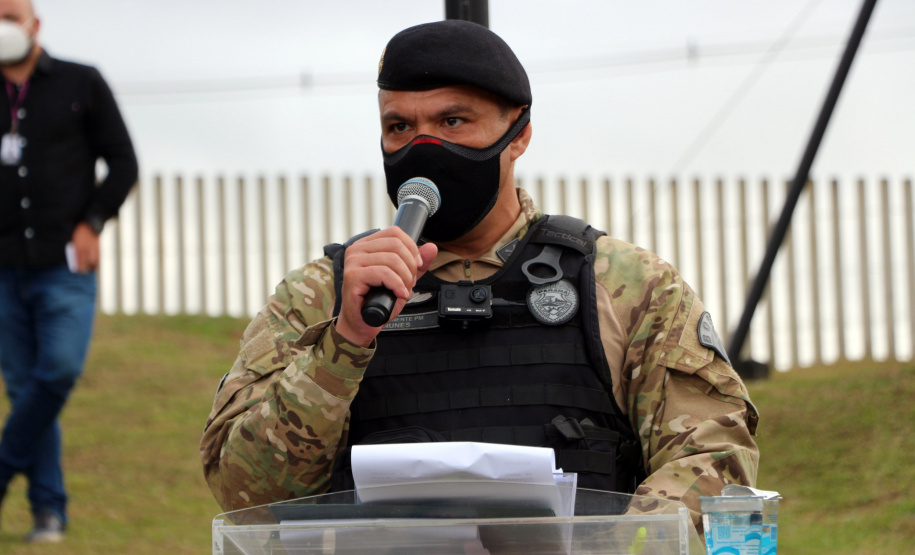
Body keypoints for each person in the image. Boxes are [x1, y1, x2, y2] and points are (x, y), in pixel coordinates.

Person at [200, 19, 759, 532]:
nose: (423, 146)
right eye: (399, 127)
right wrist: (344, 344)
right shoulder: (323, 293)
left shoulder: (624, 284)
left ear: (518, 135)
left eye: (452, 121)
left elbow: (713, 457)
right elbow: (248, 497)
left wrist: (609, 547)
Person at [0, 0, 138, 543]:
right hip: (4, 268)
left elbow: (123, 162)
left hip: (64, 266)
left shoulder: (81, 82)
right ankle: (48, 510)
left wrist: (92, 221)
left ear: (36, 24)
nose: (7, 26)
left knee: (55, 372)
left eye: (14, 14)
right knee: (24, 388)